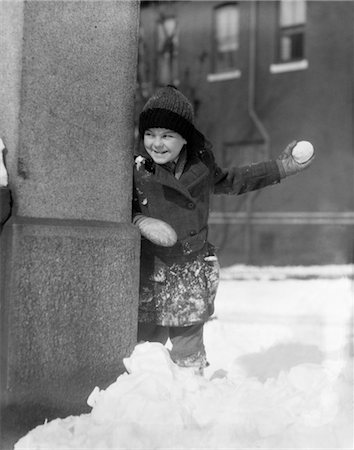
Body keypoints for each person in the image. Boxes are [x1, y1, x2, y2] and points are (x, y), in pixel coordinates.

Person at [132, 85, 313, 374]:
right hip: (151, 271)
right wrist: (139, 220)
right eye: (150, 134)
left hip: (190, 270)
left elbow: (234, 180)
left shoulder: (201, 169)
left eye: (167, 135)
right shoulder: (138, 171)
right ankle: (141, 404)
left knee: (188, 352)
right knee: (145, 351)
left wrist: (282, 168)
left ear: (184, 139)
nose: (157, 143)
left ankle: (193, 396)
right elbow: (116, 209)